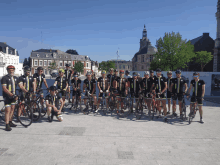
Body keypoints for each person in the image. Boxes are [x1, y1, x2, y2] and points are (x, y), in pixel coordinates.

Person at [1, 65, 19, 131]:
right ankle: (7, 124)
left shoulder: (15, 78)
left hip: (14, 96)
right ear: (7, 70)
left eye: (12, 70)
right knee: (7, 110)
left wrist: (25, 91)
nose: (11, 71)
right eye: (10, 70)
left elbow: (20, 85)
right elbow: (4, 88)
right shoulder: (4, 78)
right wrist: (11, 94)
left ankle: (10, 122)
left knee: (12, 109)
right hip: (7, 96)